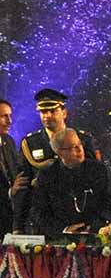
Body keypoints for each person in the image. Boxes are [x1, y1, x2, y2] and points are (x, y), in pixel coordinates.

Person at [13, 89, 100, 232]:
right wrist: (18, 226)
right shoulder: (30, 143)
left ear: (64, 113)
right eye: (43, 112)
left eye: (53, 111)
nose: (47, 116)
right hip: (44, 219)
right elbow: (24, 187)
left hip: (79, 214)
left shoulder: (83, 140)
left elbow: (95, 178)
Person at [30, 128, 111, 236]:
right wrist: (64, 230)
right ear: (60, 152)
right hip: (60, 237)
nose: (79, 149)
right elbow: (38, 211)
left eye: (79, 144)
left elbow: (109, 203)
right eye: (73, 147)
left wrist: (95, 226)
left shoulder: (98, 170)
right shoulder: (47, 175)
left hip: (96, 233)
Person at [0, 99, 19, 236]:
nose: (9, 121)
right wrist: (9, 192)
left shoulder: (9, 141)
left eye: (10, 116)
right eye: (3, 116)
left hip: (9, 220)